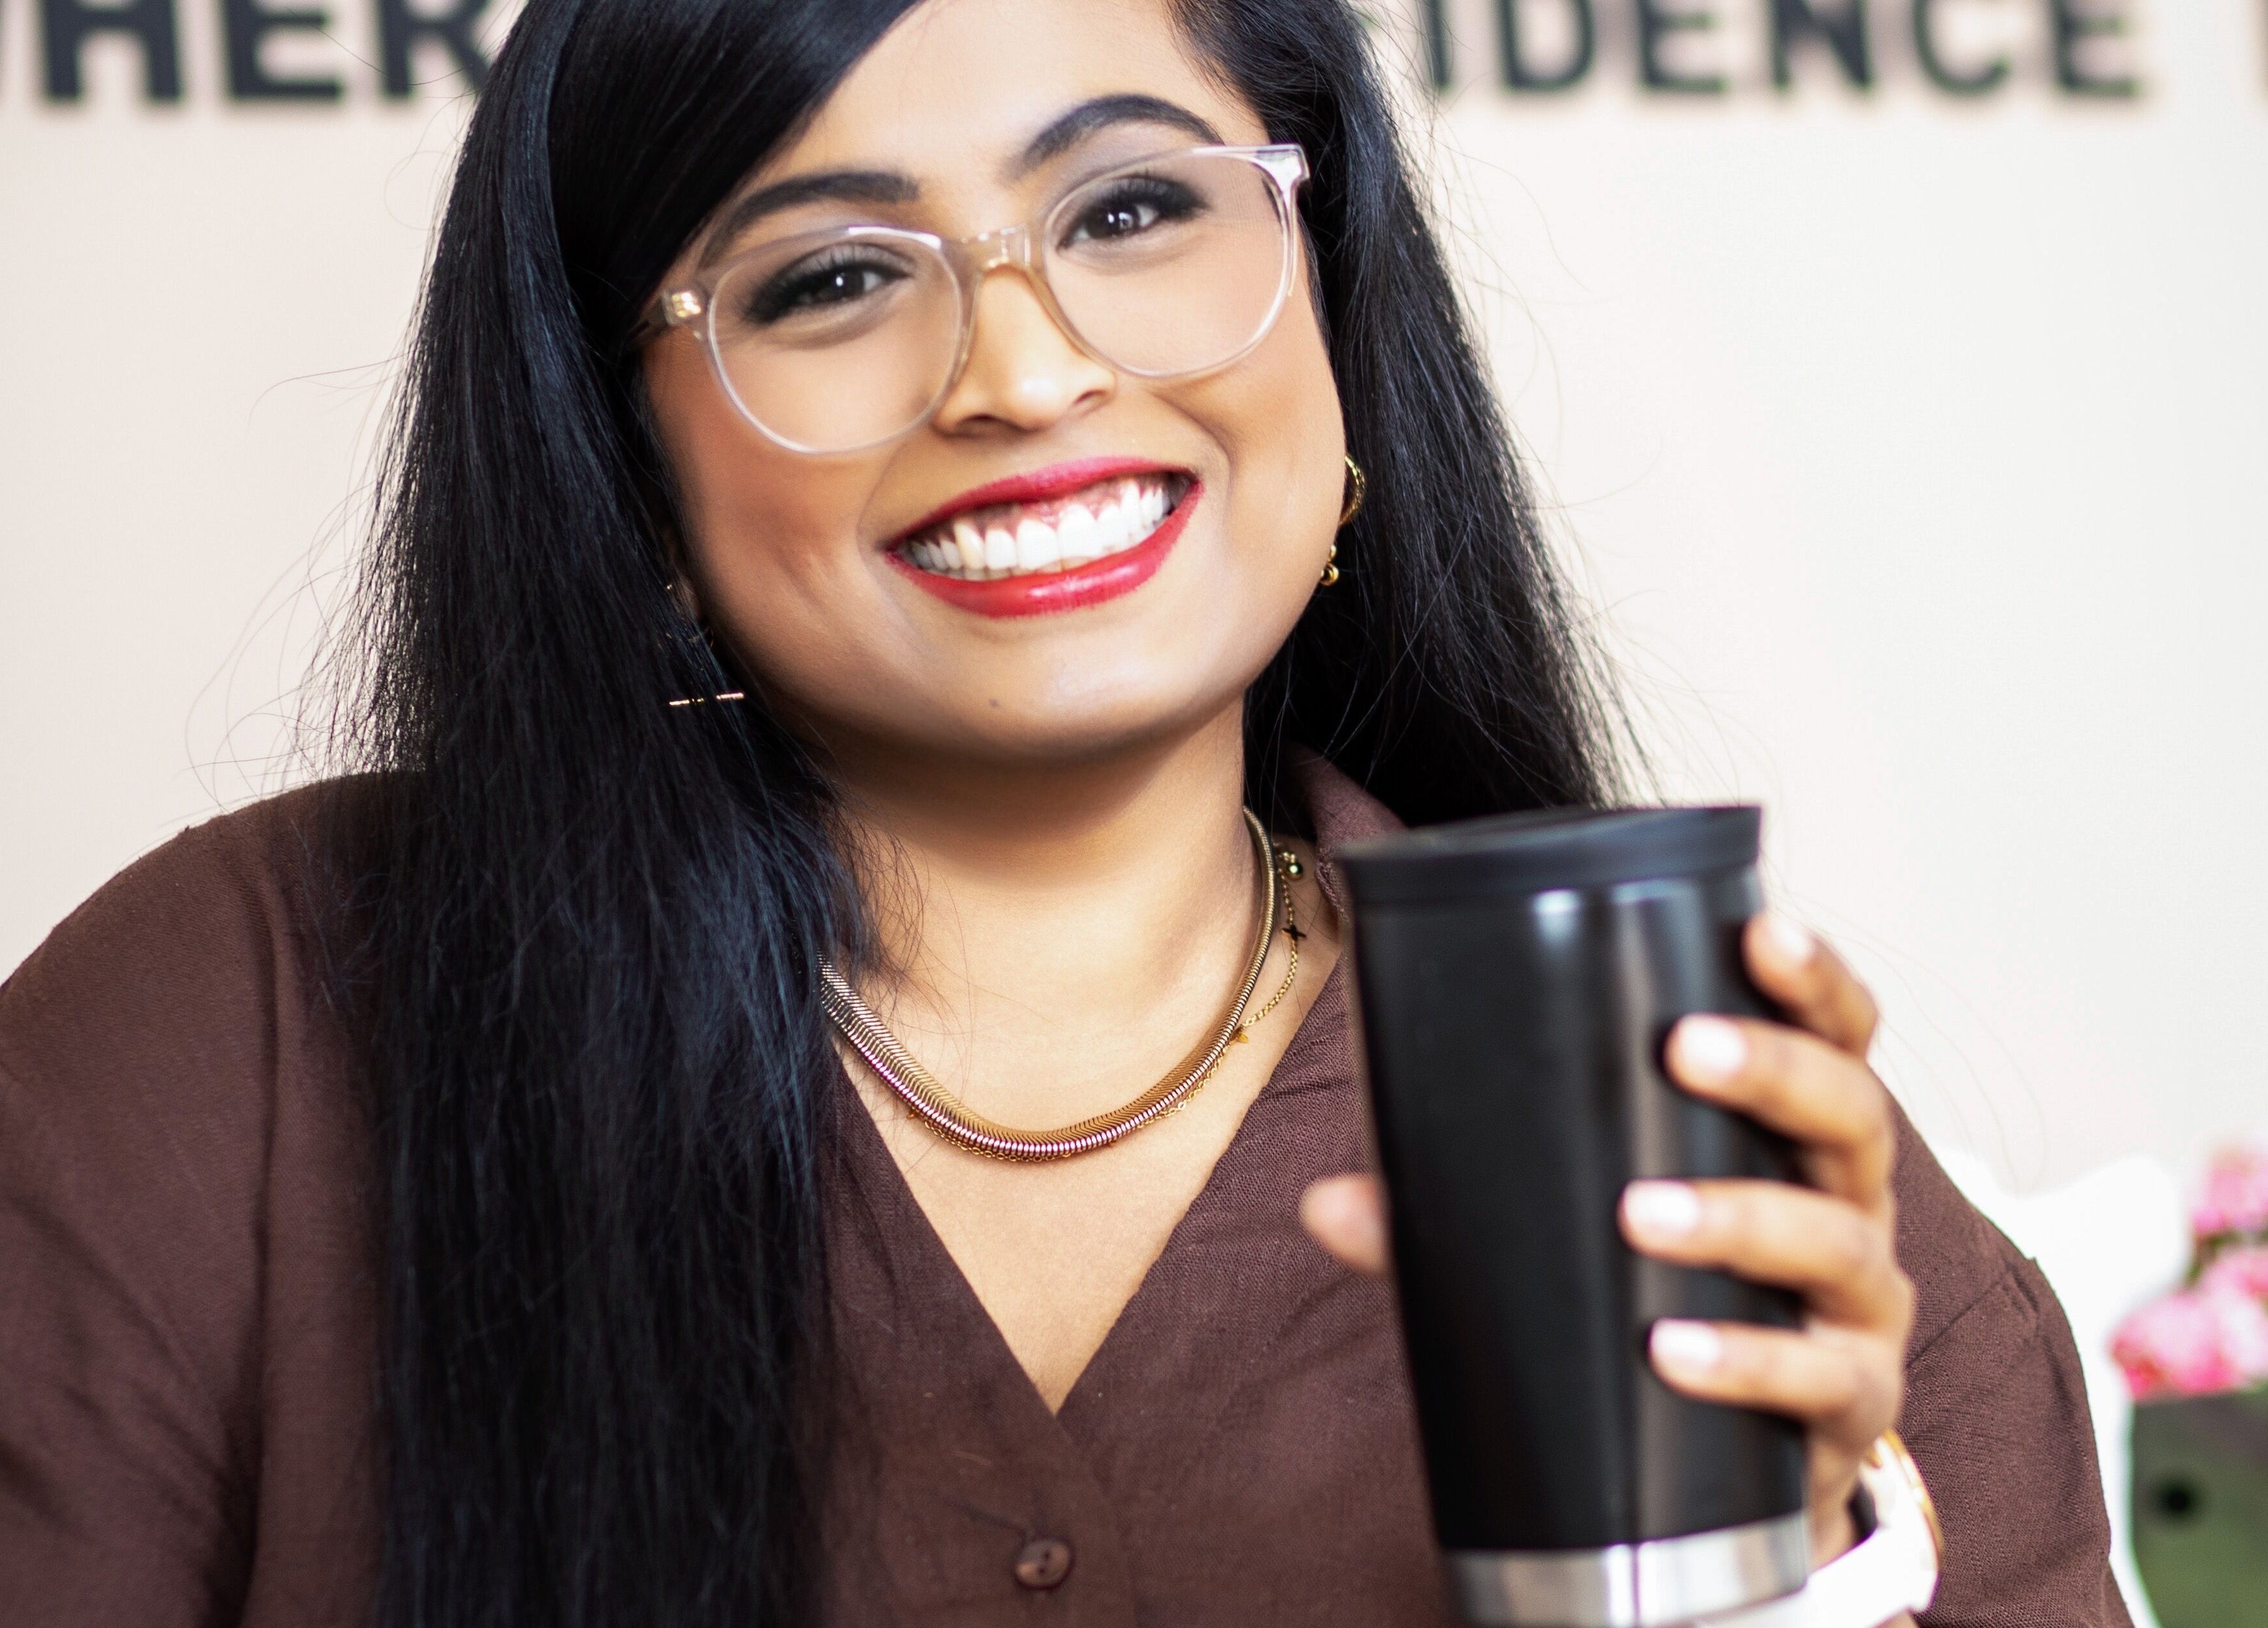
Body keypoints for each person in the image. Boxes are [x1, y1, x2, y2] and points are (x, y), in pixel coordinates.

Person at [0, 0, 2129, 1623]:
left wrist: (1775, 1570)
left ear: (1334, 318)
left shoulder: (1721, 1138)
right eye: (830, 278)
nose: (1019, 371)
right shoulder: (237, 1033)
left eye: (1129, 210)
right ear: (632, 487)